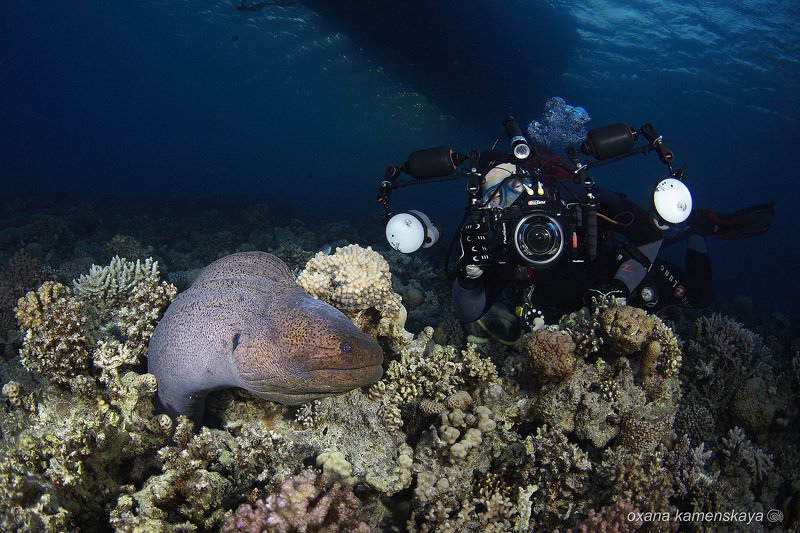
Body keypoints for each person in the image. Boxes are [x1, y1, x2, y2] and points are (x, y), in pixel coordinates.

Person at [451, 147, 774, 344]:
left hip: (623, 274)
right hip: (574, 319)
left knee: (700, 297)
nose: (508, 199)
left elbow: (649, 234)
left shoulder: (577, 198)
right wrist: (468, 277)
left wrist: (620, 286)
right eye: (494, 196)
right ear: (483, 206)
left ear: (530, 178)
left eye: (513, 184)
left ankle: (700, 227)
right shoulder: (495, 243)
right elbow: (470, 311)